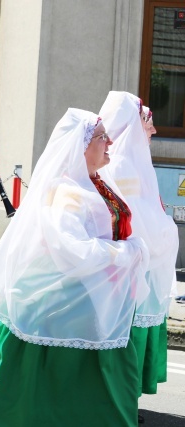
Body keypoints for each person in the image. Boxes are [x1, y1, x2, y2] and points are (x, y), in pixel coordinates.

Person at [0, 108, 150, 427]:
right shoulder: (68, 193)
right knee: (31, 386)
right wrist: (127, 252)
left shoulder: (96, 183)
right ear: (81, 146)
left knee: (99, 379)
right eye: (102, 137)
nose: (110, 143)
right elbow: (72, 250)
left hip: (96, 300)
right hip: (65, 301)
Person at [99, 92, 179, 423]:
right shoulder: (120, 164)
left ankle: (124, 399)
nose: (153, 129)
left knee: (131, 335)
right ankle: (119, 400)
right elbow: (133, 218)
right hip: (128, 266)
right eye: (147, 120)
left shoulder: (133, 161)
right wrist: (163, 234)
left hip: (140, 264)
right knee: (125, 336)